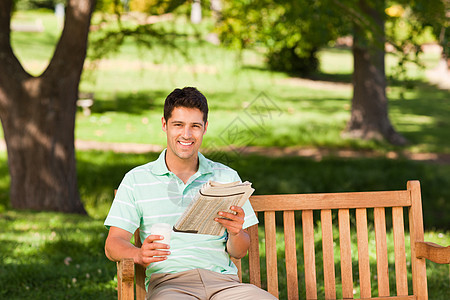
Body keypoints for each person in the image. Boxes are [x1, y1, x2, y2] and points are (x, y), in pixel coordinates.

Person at [104, 87, 277, 299]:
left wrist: (235, 232)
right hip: (171, 286)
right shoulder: (136, 180)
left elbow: (239, 251)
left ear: (205, 128)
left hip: (225, 285)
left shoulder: (226, 176)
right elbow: (113, 244)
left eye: (195, 126)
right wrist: (138, 254)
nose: (186, 134)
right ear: (164, 125)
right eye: (178, 125)